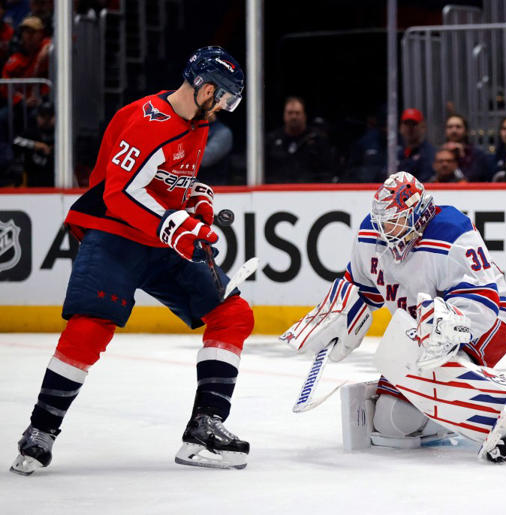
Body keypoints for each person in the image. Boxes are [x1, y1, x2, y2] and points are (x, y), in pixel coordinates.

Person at [9, 46, 254, 475]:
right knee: (91, 326)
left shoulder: (195, 123)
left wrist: (195, 202)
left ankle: (204, 427)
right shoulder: (147, 120)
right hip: (115, 236)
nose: (223, 109)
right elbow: (118, 193)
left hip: (160, 243)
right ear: (206, 89)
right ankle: (40, 432)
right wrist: (173, 226)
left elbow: (164, 182)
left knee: (233, 314)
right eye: (224, 99)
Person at [280, 172, 506, 463]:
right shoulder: (371, 235)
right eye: (382, 220)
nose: (385, 229)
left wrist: (446, 324)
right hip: (418, 332)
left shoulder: (452, 231)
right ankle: (445, 411)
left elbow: (483, 302)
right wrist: (339, 314)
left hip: (486, 322)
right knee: (392, 422)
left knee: (436, 369)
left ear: (417, 212)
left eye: (394, 220)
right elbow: (362, 292)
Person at [265, 96, 335, 183]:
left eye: (297, 113)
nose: (294, 117)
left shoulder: (318, 140)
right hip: (277, 191)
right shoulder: (271, 140)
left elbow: (327, 172)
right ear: (284, 115)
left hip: (310, 191)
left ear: (304, 115)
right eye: (290, 113)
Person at [0, 16, 50, 107]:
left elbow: (55, 42)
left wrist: (47, 48)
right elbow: (5, 86)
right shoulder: (15, 59)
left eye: (33, 32)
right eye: (26, 32)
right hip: (20, 105)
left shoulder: (47, 48)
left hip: (44, 101)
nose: (29, 36)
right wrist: (22, 101)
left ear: (41, 34)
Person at [11, 100, 54, 186]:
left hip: (55, 182)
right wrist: (35, 145)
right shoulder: (32, 132)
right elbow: (15, 141)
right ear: (37, 116)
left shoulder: (61, 135)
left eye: (49, 117)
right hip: (33, 182)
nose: (46, 120)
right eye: (43, 116)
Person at [442, 114, 490, 182]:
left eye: (458, 127)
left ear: (466, 131)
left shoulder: (477, 154)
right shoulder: (438, 153)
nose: (454, 130)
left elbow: (471, 180)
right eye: (450, 127)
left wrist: (462, 157)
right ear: (445, 131)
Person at [397, 108, 436, 183]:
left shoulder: (430, 153)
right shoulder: (395, 152)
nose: (410, 128)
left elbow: (427, 179)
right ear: (401, 127)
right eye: (406, 124)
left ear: (423, 127)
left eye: (414, 124)